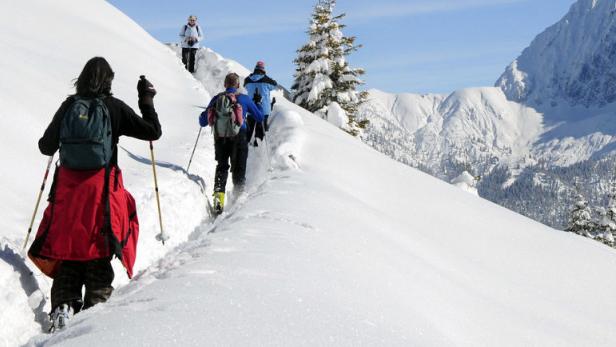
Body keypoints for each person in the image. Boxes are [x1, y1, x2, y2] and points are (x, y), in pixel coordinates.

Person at [29, 57, 162, 331]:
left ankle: (63, 307)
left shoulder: (69, 106)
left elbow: (45, 146)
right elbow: (153, 132)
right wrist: (145, 99)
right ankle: (94, 316)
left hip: (68, 193)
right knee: (98, 252)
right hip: (100, 194)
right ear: (109, 81)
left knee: (69, 252)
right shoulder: (113, 108)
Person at [199, 72, 264, 213]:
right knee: (239, 169)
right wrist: (258, 103)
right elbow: (259, 117)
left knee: (222, 167)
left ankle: (218, 201)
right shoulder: (244, 99)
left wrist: (205, 115)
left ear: (225, 84)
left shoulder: (217, 99)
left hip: (220, 137)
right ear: (238, 85)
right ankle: (237, 204)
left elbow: (203, 121)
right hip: (239, 137)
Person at [244, 61, 277, 145]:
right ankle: (258, 146)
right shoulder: (266, 80)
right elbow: (275, 84)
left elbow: (245, 86)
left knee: (249, 129)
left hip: (251, 108)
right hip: (264, 109)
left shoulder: (248, 80)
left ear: (255, 68)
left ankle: (246, 144)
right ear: (263, 69)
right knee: (261, 129)